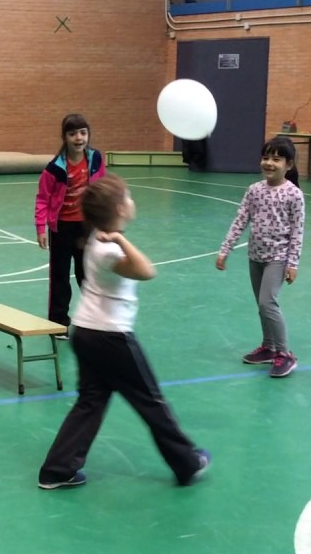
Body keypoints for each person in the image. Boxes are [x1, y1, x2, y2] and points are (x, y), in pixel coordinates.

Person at [38, 174, 210, 490]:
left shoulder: (95, 239)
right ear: (119, 209)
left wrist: (116, 237)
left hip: (87, 332)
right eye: (128, 198)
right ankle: (186, 462)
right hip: (110, 337)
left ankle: (58, 469)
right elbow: (147, 271)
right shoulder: (108, 249)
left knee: (90, 401)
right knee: (151, 401)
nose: (132, 202)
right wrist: (121, 239)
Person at [215, 136, 306, 378]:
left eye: (276, 159)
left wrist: (293, 262)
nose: (269, 163)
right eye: (266, 157)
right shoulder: (254, 191)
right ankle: (268, 347)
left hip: (278, 258)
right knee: (261, 305)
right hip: (255, 256)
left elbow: (298, 231)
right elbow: (240, 220)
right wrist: (225, 249)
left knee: (268, 303)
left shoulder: (294, 195)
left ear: (289, 164)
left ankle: (285, 354)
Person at [34, 113, 106, 329]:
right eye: (73, 134)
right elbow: (42, 199)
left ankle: (94, 320)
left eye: (83, 133)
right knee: (60, 278)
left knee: (89, 275)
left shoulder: (96, 159)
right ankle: (59, 323)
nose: (78, 138)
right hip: (61, 229)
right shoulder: (54, 168)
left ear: (88, 135)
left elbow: (102, 190)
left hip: (87, 228)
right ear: (64, 137)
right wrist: (41, 228)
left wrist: (104, 221)